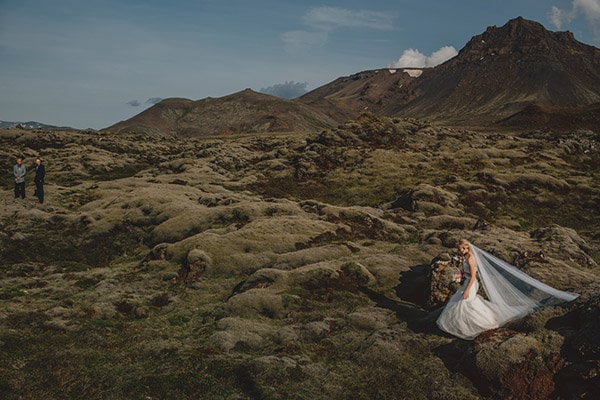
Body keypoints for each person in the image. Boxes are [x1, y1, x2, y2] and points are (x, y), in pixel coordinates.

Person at [436, 239, 578, 340]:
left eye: (463, 248)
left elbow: (473, 276)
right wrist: (459, 276)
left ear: (467, 248)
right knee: (466, 304)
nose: (461, 251)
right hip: (466, 282)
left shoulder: (471, 258)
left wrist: (467, 290)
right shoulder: (465, 257)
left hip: (471, 285)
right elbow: (467, 274)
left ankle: (480, 325)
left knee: (464, 303)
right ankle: (466, 326)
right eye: (459, 248)